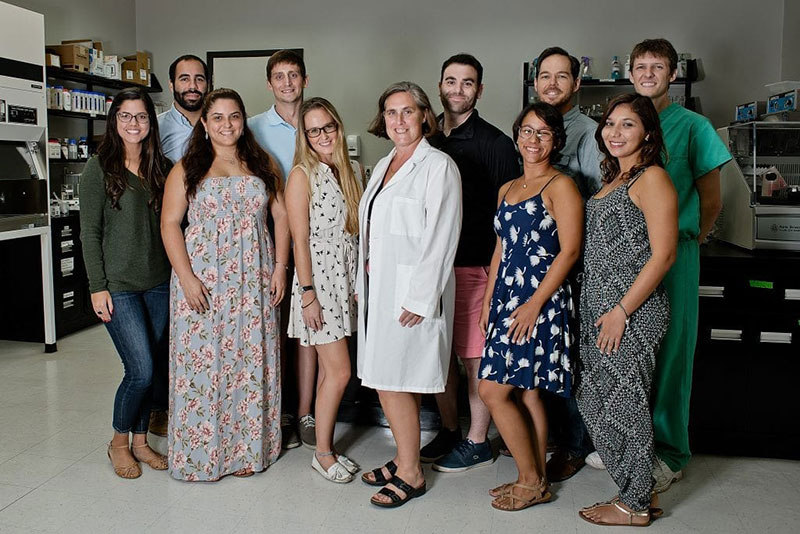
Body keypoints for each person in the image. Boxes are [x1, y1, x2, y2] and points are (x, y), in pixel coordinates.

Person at [161, 88, 290, 481]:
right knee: (205, 367)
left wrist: (281, 268)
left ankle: (247, 451)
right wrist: (185, 277)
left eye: (234, 116)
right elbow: (169, 224)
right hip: (203, 283)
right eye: (217, 117)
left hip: (254, 280)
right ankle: (202, 455)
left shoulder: (261, 162)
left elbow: (281, 218)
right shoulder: (187, 168)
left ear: (243, 120)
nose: (227, 124)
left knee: (249, 365)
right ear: (204, 122)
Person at [623, 38, 732, 492]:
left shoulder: (692, 126)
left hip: (675, 255)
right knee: (628, 351)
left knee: (671, 353)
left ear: (673, 73)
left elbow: (711, 199)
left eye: (658, 66)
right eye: (641, 66)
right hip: (627, 255)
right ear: (629, 73)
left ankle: (669, 452)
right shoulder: (623, 123)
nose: (649, 73)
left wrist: (688, 239)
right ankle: (628, 442)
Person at [357, 82, 461, 508]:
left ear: (423, 116)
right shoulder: (385, 164)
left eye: (407, 111)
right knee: (386, 379)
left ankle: (412, 473)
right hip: (380, 291)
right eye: (390, 112)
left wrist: (420, 298)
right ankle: (404, 459)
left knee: (397, 381)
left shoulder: (439, 166)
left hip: (411, 297)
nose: (398, 120)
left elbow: (442, 236)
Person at [576, 93, 677, 526]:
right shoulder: (614, 177)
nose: (615, 132)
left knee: (626, 405)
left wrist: (621, 310)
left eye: (627, 125)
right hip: (599, 309)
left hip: (631, 313)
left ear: (648, 134)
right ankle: (634, 490)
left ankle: (634, 505)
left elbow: (663, 256)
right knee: (596, 400)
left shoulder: (651, 178)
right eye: (610, 123)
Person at [478, 102, 582, 511]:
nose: (532, 140)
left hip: (540, 303)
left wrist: (534, 305)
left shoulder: (561, 186)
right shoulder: (508, 188)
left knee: (492, 391)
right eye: (526, 131)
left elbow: (570, 250)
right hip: (507, 300)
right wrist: (489, 302)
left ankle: (528, 479)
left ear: (556, 139)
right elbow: (500, 249)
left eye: (542, 132)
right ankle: (536, 480)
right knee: (527, 395)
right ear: (517, 135)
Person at [421, 53, 520, 473]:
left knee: (473, 358)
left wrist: (497, 280)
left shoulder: (496, 144)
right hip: (433, 268)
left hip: (474, 265)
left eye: (467, 83)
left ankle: (478, 440)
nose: (457, 89)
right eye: (451, 81)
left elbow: (508, 219)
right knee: (439, 357)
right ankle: (449, 429)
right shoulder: (426, 140)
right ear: (440, 86)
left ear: (479, 90)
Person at [80, 87, 172, 479]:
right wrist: (96, 285)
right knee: (140, 370)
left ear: (151, 123)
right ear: (114, 120)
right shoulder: (97, 168)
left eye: (141, 117)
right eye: (125, 116)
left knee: (151, 367)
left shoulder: (161, 167)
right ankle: (118, 442)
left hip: (158, 283)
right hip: (118, 285)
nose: (133, 124)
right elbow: (89, 232)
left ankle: (140, 441)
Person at [285, 97, 362, 483]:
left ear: (337, 125)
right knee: (340, 373)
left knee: (327, 374)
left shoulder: (351, 170)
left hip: (343, 283)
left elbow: (355, 234)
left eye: (327, 127)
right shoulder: (302, 175)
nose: (321, 136)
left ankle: (325, 445)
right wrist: (308, 293)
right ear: (305, 135)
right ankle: (323, 453)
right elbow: (299, 239)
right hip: (318, 284)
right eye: (313, 130)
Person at [533, 46, 602, 482]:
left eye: (562, 76)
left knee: (569, 354)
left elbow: (597, 201)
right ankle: (547, 435)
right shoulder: (531, 127)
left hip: (572, 262)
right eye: (545, 76)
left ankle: (575, 444)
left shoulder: (592, 134)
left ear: (576, 84)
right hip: (533, 264)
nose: (552, 83)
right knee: (542, 352)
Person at [249, 49, 315, 449]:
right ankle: (280, 412)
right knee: (273, 331)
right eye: (279, 76)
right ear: (269, 83)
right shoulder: (252, 127)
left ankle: (305, 412)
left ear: (305, 80)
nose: (287, 82)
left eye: (294, 75)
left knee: (308, 330)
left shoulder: (318, 122)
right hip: (269, 243)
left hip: (314, 242)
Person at [157, 54, 209, 163]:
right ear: (171, 85)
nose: (193, 86)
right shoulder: (155, 128)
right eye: (184, 79)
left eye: (199, 79)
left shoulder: (224, 125)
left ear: (207, 84)